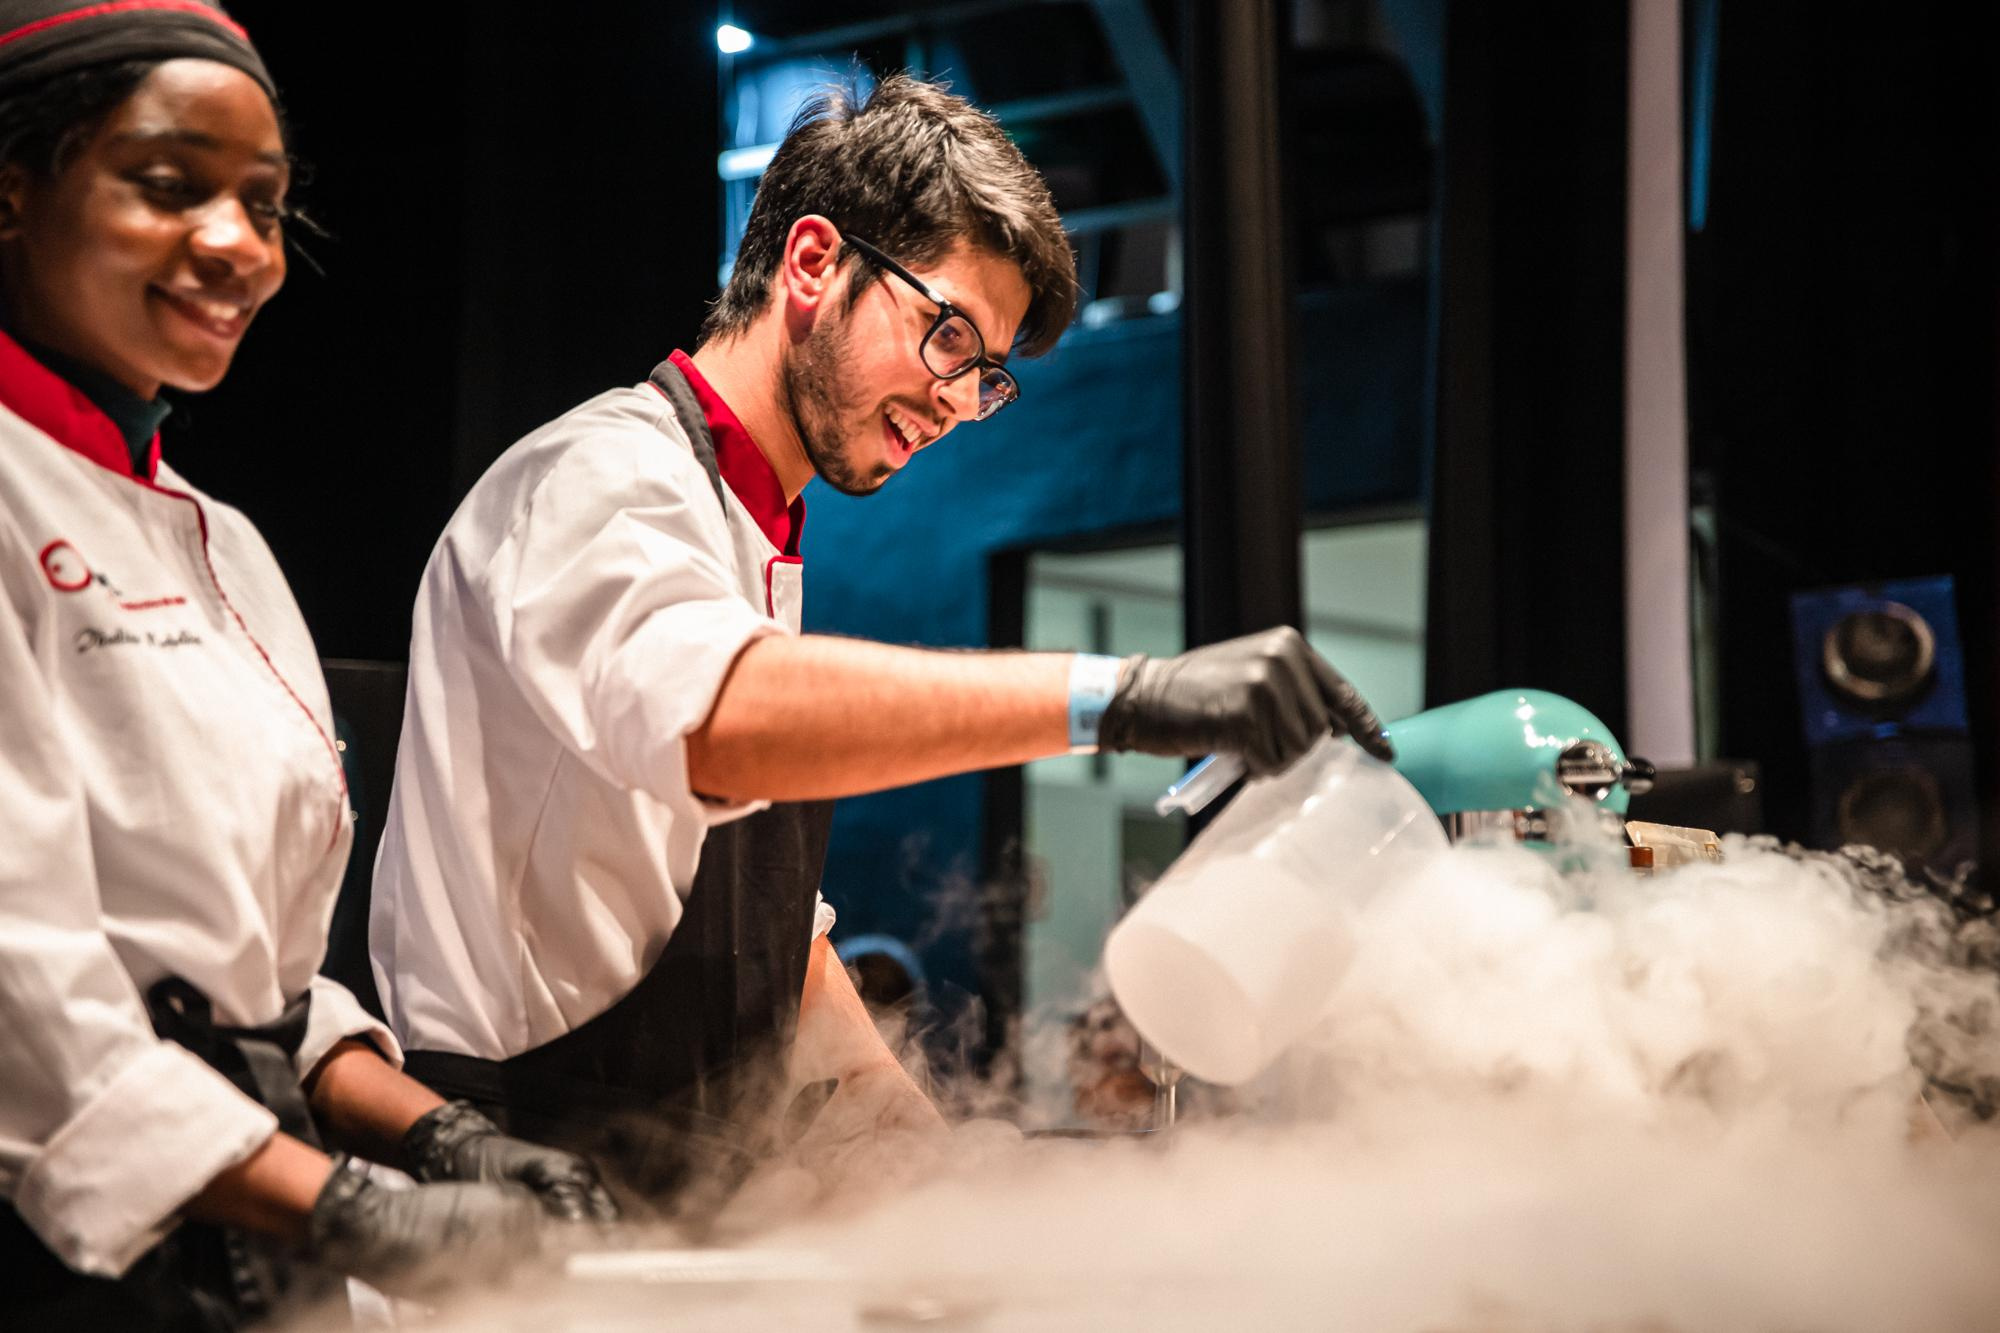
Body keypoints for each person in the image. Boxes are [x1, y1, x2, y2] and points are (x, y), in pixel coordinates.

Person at [369, 74, 1393, 1211]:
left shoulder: (749, 539)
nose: (955, 402)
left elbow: (776, 959)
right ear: (812, 262)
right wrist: (1124, 697)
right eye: (944, 333)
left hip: (666, 1212)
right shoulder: (600, 480)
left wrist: (947, 1179)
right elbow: (725, 722)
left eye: (984, 374)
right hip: (507, 1209)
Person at [0, 4, 615, 1326]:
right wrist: (343, 1206)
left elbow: (254, 988)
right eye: (167, 186)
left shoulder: (228, 543)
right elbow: (22, 992)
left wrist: (437, 1137)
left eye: (264, 205)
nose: (234, 246)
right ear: (12, 192)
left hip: (249, 1249)